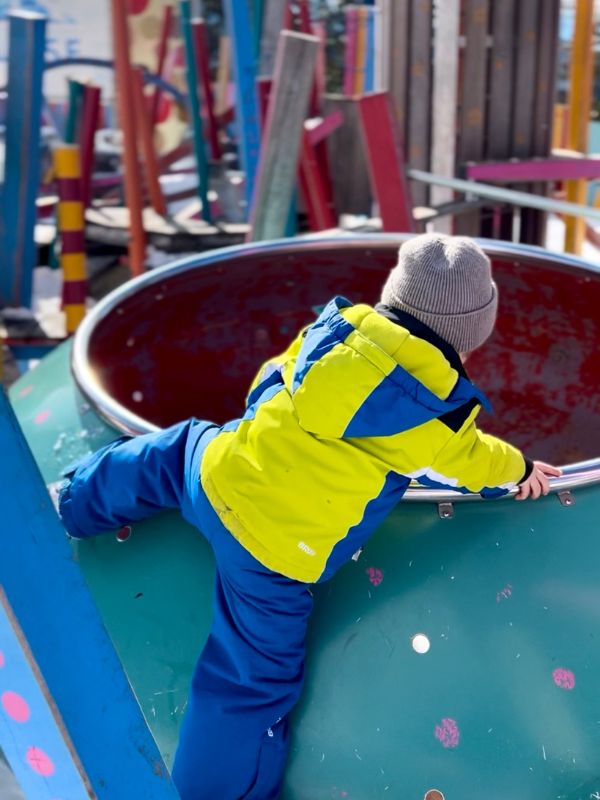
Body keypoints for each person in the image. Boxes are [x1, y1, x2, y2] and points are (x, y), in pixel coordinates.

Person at [58, 234, 560, 799]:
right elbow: (472, 466)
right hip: (273, 554)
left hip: (219, 472)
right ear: (469, 339)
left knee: (166, 453)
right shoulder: (435, 415)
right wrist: (519, 472)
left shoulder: (334, 330)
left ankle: (73, 503)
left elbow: (270, 378)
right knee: (251, 682)